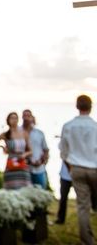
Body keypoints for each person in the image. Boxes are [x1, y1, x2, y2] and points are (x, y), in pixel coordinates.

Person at [60, 94, 97, 245]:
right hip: (94, 168)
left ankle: (87, 241)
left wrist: (70, 168)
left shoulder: (68, 126)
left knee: (83, 207)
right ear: (91, 106)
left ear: (77, 106)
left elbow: (63, 152)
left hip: (76, 169)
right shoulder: (95, 126)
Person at [0, 112, 32, 189]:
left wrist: (24, 155)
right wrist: (2, 146)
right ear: (8, 120)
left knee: (25, 187)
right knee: (10, 187)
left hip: (22, 162)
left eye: (16, 118)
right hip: (11, 163)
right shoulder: (5, 134)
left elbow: (30, 151)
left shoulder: (24, 133)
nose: (14, 120)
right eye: (12, 118)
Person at [22, 109, 49, 189]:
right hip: (23, 169)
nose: (26, 118)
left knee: (40, 193)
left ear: (32, 117)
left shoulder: (39, 133)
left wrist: (42, 161)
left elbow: (46, 149)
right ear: (22, 117)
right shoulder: (18, 132)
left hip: (39, 169)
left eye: (28, 116)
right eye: (24, 116)